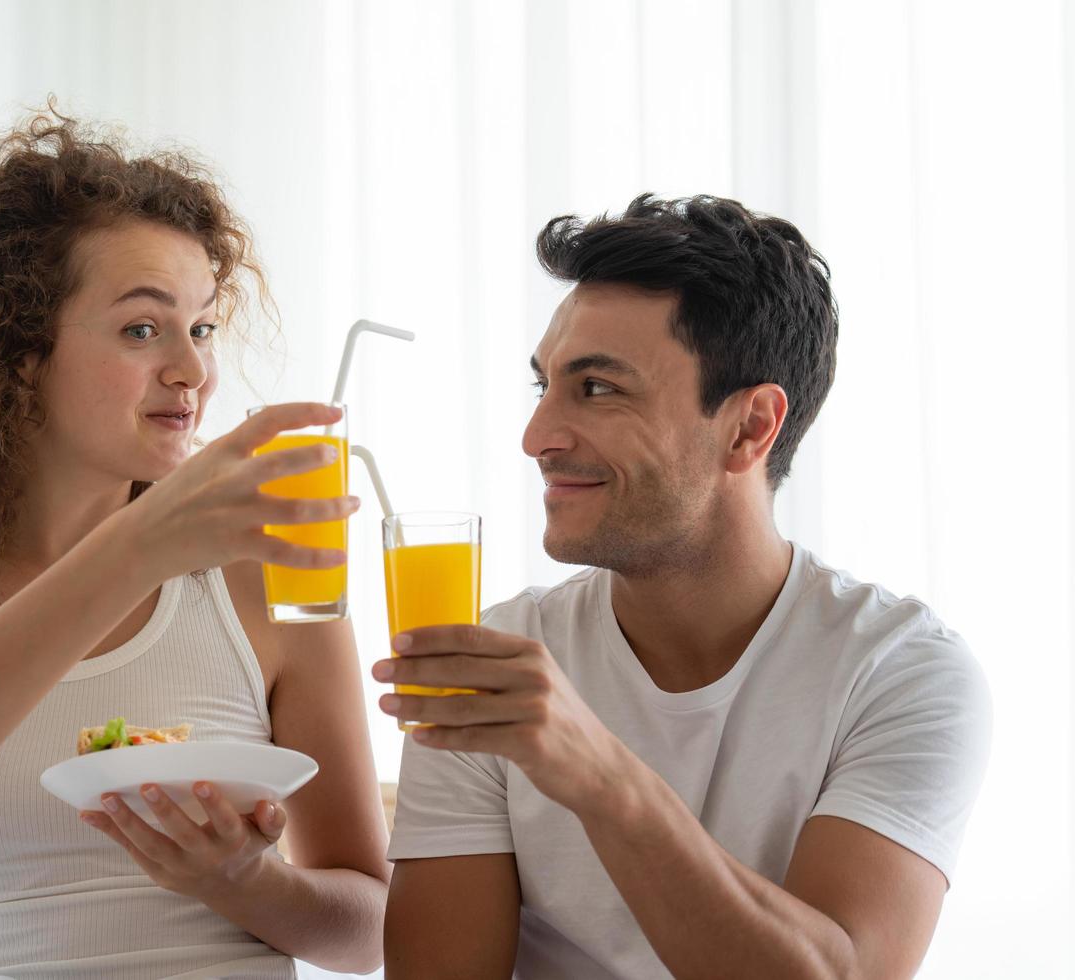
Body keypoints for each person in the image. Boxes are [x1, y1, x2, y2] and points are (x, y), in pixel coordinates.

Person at [0, 109, 389, 980]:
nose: (192, 369)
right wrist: (140, 545)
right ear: (18, 350)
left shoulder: (266, 577)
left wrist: (243, 882)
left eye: (203, 326)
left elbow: (371, 929)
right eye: (144, 328)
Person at [379, 195, 992, 979]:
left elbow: (843, 972)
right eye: (546, 387)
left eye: (598, 388)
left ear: (749, 428)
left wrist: (601, 777)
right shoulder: (495, 664)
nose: (537, 439)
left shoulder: (902, 673)